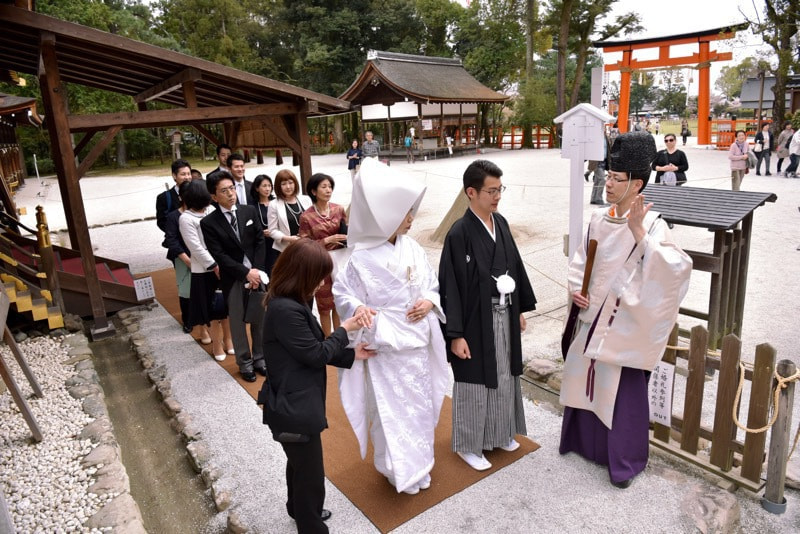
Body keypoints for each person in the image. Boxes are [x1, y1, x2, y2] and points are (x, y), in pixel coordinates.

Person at [559, 132, 692, 489]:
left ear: (637, 183)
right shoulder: (599, 220)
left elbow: (676, 269)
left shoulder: (654, 224)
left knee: (619, 394)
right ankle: (581, 443)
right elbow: (581, 260)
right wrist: (577, 290)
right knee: (585, 381)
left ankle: (623, 461)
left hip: (623, 326)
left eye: (617, 179)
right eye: (608, 176)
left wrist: (638, 233)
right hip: (592, 318)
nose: (608, 184)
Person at [333, 158, 450, 494]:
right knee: (390, 411)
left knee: (420, 407)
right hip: (385, 345)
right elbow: (343, 292)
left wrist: (429, 301)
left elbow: (430, 283)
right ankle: (396, 469)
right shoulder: (360, 258)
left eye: (411, 212)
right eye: (404, 213)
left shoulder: (412, 248)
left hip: (416, 342)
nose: (412, 219)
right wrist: (359, 308)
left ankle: (420, 463)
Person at [259, 238, 375, 534]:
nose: (322, 282)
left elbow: (309, 348)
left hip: (292, 402)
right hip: (293, 407)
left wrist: (350, 354)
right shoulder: (286, 309)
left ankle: (297, 509)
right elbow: (315, 353)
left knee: (298, 464)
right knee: (311, 475)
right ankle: (310, 526)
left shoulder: (289, 302)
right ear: (302, 274)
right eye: (319, 276)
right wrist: (345, 329)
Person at [438, 160, 537, 471]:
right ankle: (469, 445)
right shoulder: (459, 233)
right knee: (474, 381)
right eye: (491, 191)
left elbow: (516, 266)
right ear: (471, 192)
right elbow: (449, 286)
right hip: (473, 321)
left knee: (505, 375)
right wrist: (455, 335)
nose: (497, 196)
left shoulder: (501, 223)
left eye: (499, 190)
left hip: (504, 314)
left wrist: (518, 308)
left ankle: (500, 433)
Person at [201, 171, 267, 382]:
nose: (231, 194)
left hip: (258, 275)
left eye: (232, 188)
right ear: (214, 196)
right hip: (234, 277)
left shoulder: (249, 211)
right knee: (238, 323)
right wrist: (245, 272)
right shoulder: (209, 223)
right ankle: (244, 363)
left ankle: (261, 359)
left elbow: (259, 241)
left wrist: (255, 270)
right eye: (224, 190)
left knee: (260, 318)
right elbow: (218, 255)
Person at [179, 180, 230, 360]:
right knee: (212, 310)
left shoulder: (211, 210)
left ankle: (229, 340)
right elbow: (195, 247)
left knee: (227, 307)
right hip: (204, 270)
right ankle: (217, 345)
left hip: (222, 264)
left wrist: (223, 261)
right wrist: (214, 265)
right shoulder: (186, 218)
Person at [298, 173, 347, 338]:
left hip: (341, 260)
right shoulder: (306, 216)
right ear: (313, 191)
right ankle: (328, 340)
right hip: (320, 264)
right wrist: (326, 240)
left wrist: (347, 237)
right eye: (324, 187)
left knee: (339, 301)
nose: (328, 190)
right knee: (325, 305)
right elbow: (304, 245)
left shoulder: (339, 209)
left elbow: (347, 231)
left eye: (330, 186)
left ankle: (339, 339)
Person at [163, 181, 193, 334]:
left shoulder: (203, 211)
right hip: (182, 258)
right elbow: (171, 240)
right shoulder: (174, 216)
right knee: (186, 291)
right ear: (181, 197)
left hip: (201, 257)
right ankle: (188, 320)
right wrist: (187, 260)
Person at [268, 169, 312, 254]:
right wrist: (288, 238)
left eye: (291, 183)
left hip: (308, 247)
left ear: (295, 183)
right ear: (278, 186)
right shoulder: (274, 204)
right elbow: (272, 231)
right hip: (287, 249)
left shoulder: (306, 199)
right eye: (283, 184)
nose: (288, 187)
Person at [250, 174, 281, 276]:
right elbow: (249, 229)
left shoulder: (277, 203)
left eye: (269, 186)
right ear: (257, 188)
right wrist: (261, 233)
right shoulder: (252, 207)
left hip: (278, 241)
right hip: (263, 244)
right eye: (264, 186)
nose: (268, 189)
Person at [156, 159, 191, 232]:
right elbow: (162, 222)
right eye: (183, 174)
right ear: (174, 176)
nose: (187, 177)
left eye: (189, 173)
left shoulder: (198, 193)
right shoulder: (164, 197)